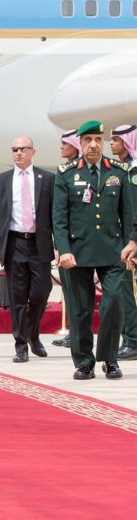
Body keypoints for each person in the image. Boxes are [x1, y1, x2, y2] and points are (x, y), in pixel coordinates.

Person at [53, 120, 132, 380]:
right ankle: (84, 362)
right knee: (80, 309)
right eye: (87, 140)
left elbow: (129, 213)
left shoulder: (118, 172)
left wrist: (132, 243)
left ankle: (109, 359)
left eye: (98, 139)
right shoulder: (66, 174)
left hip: (113, 250)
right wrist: (63, 250)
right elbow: (59, 218)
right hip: (77, 252)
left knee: (114, 303)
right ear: (80, 143)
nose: (94, 145)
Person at [0, 136, 55, 363]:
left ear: (33, 151)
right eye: (14, 149)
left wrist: (62, 247)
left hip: (39, 244)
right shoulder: (1, 181)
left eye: (23, 149)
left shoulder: (48, 179)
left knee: (40, 293)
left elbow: (56, 217)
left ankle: (33, 335)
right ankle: (21, 345)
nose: (18, 153)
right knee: (17, 298)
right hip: (14, 244)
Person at [110, 124, 137, 360]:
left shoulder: (133, 170)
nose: (111, 143)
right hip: (123, 239)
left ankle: (133, 340)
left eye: (116, 140)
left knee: (130, 292)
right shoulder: (121, 168)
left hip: (132, 241)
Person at [53, 130, 81, 349]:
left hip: (81, 243)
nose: (61, 148)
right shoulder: (65, 171)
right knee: (69, 291)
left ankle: (79, 333)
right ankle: (73, 332)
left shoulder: (82, 171)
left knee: (79, 292)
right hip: (66, 243)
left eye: (65, 144)